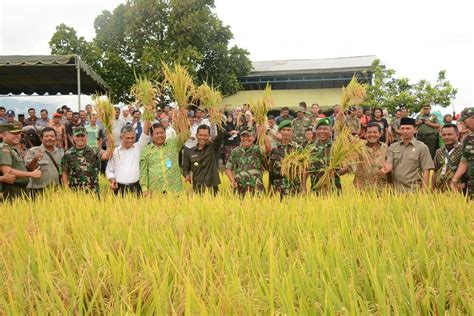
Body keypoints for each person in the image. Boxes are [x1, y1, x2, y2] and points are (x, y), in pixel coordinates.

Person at [381, 117, 434, 192]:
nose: (405, 131)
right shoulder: (393, 146)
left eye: (408, 128)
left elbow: (426, 170)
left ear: (415, 130)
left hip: (414, 191)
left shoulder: (422, 147)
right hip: (395, 191)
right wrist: (386, 168)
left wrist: (424, 189)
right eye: (402, 128)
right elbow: (389, 163)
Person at [140, 123, 188, 195]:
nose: (160, 135)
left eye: (162, 133)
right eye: (157, 133)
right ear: (152, 136)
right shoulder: (146, 150)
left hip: (175, 190)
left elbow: (186, 135)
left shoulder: (173, 143)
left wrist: (182, 115)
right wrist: (144, 188)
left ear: (165, 133)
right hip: (156, 192)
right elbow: (143, 171)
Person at [61, 127, 113, 194]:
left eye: (82, 136)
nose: (80, 138)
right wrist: (66, 188)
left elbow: (107, 156)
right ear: (73, 138)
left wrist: (111, 142)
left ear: (86, 137)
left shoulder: (94, 150)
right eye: (77, 136)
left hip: (93, 192)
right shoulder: (68, 154)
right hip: (74, 193)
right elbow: (64, 172)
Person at [106, 120, 151, 196]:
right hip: (119, 188)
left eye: (132, 138)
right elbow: (109, 170)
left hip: (136, 188)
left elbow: (145, 134)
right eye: (127, 138)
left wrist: (148, 112)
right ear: (121, 137)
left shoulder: (138, 147)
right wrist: (112, 180)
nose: (130, 140)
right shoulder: (114, 152)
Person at [225, 126, 271, 196]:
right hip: (239, 189)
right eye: (243, 136)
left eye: (248, 136)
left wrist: (263, 134)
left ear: (253, 138)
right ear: (240, 138)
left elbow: (268, 149)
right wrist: (232, 181)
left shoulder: (257, 149)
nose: (245, 139)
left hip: (256, 189)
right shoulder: (235, 151)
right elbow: (228, 168)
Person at [0, 123, 42, 199]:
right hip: (12, 190)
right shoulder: (4, 149)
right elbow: (7, 172)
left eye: (19, 133)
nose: (18, 135)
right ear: (2, 135)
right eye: (13, 133)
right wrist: (31, 174)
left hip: (19, 189)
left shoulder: (12, 149)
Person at [183, 124, 224, 194]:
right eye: (200, 135)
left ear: (209, 136)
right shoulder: (189, 152)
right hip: (197, 187)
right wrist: (187, 176)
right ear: (196, 135)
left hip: (213, 188)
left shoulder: (213, 148)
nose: (203, 138)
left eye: (205, 135)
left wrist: (217, 119)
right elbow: (185, 169)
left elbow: (220, 135)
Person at [268, 120, 304, 198]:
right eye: (284, 130)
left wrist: (303, 186)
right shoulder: (274, 149)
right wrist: (269, 189)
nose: (286, 132)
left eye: (288, 130)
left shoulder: (298, 148)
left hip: (294, 187)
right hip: (278, 188)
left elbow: (303, 169)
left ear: (292, 132)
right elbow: (271, 171)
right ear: (280, 131)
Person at [25, 127, 64, 196]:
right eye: (46, 136)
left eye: (52, 136)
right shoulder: (33, 151)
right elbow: (29, 169)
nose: (49, 138)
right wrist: (35, 159)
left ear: (56, 138)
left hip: (56, 191)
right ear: (41, 138)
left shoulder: (60, 152)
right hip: (37, 190)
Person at [306, 118, 342, 193]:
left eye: (325, 129)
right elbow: (305, 169)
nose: (322, 131)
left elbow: (345, 167)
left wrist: (332, 173)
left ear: (330, 130)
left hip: (334, 188)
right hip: (316, 189)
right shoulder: (310, 148)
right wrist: (303, 186)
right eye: (319, 129)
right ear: (316, 131)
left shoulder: (337, 147)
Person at [351, 122, 388, 191]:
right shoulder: (358, 147)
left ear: (380, 134)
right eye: (369, 132)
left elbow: (389, 167)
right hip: (361, 189)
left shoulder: (386, 148)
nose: (372, 134)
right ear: (365, 134)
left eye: (375, 132)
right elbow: (344, 137)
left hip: (381, 190)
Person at [431, 124, 463, 192]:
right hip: (439, 192)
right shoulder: (439, 151)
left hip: (457, 191)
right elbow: (435, 172)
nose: (446, 137)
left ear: (457, 135)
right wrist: (432, 190)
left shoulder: (463, 150)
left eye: (450, 134)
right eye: (444, 135)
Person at [451, 107, 474, 197]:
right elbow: (464, 161)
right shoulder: (468, 139)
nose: (463, 124)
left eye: (464, 121)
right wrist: (455, 180)